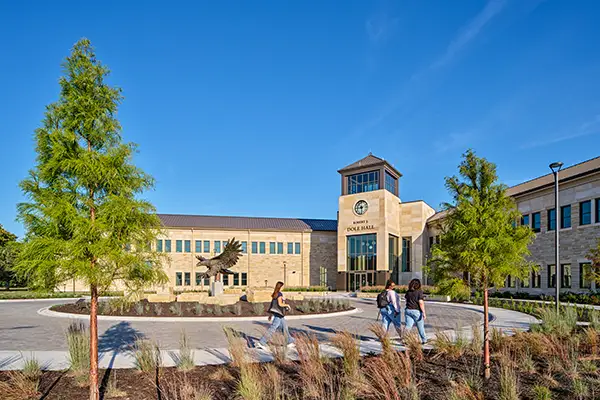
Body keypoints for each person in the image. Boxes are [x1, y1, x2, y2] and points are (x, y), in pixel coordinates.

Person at [255, 281, 295, 350]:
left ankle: (289, 341)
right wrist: (287, 304)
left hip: (278, 314)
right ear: (280, 287)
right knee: (273, 328)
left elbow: (272, 305)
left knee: (284, 327)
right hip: (279, 314)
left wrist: (270, 314)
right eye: (283, 286)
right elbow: (280, 304)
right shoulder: (279, 294)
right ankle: (262, 342)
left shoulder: (275, 294)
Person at [404, 278, 427, 344]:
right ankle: (424, 340)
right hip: (416, 311)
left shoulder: (408, 292)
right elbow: (421, 302)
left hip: (408, 310)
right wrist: (424, 313)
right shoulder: (419, 292)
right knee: (420, 327)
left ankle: (405, 339)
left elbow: (406, 299)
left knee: (408, 326)